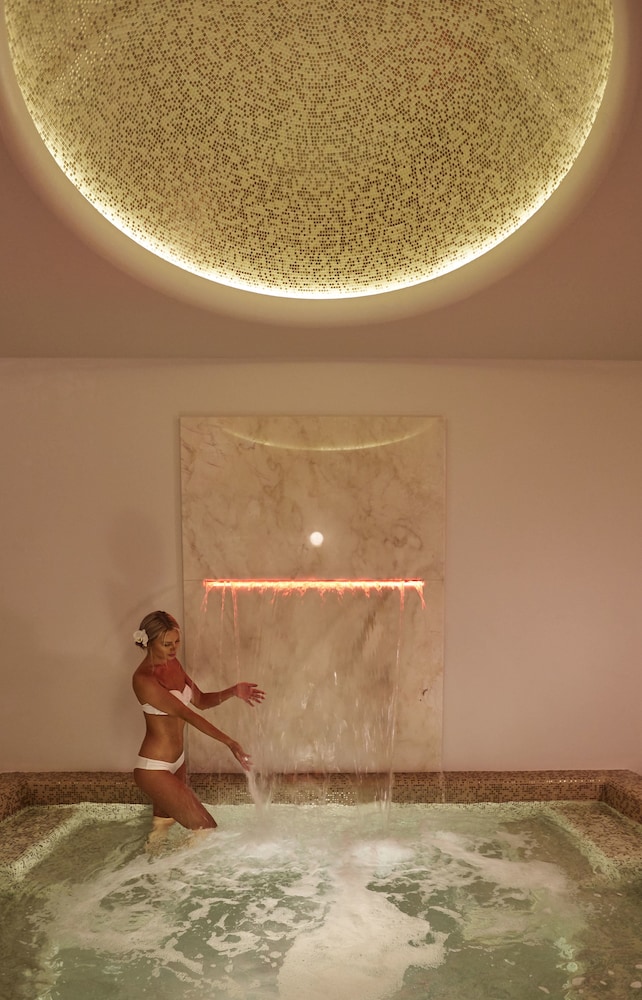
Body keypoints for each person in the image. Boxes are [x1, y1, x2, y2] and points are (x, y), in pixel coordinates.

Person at [132, 610, 265, 831]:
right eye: (166, 644)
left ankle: (154, 852)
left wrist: (233, 691)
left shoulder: (173, 664)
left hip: (177, 761)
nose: (174, 649)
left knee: (163, 826)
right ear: (149, 642)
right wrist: (230, 742)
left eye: (177, 642)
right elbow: (186, 713)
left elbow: (201, 701)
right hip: (154, 767)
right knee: (206, 828)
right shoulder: (143, 679)